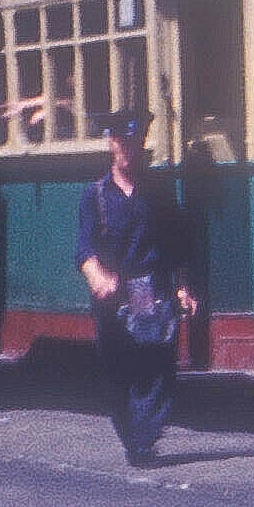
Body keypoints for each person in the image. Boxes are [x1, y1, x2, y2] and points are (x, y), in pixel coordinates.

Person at [75, 113, 199, 468]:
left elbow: (178, 245)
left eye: (135, 141)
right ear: (111, 143)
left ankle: (144, 440)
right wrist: (96, 275)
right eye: (121, 141)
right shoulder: (95, 195)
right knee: (116, 369)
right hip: (113, 295)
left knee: (157, 363)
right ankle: (132, 434)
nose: (128, 148)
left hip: (151, 288)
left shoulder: (157, 193)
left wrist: (184, 287)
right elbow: (84, 249)